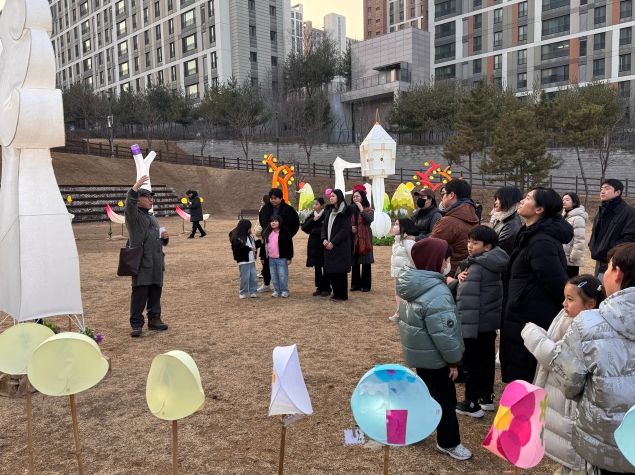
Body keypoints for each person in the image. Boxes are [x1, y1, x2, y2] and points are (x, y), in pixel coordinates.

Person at [549, 243, 635, 474]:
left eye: (607, 267)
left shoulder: (588, 324)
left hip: (604, 445)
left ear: (617, 273)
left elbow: (569, 384)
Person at [522, 274, 605, 475]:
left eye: (570, 299)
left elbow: (556, 357)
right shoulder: (567, 317)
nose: (564, 303)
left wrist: (532, 334)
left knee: (571, 449)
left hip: (569, 406)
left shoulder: (584, 330)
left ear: (590, 304)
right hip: (558, 399)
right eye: (564, 297)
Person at [397, 238, 471, 461]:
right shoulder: (437, 293)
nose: (448, 263)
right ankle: (448, 442)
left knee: (423, 394)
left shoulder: (412, 284)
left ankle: (416, 431)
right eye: (447, 259)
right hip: (437, 359)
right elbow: (445, 336)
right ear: (439, 261)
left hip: (419, 354)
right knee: (445, 401)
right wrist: (454, 361)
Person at [500, 187, 573, 383]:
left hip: (531, 318)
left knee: (526, 377)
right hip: (521, 314)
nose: (522, 201)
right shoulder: (529, 234)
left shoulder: (541, 242)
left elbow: (557, 284)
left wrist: (521, 300)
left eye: (528, 198)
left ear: (539, 209)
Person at [451, 226, 509, 417]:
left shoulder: (477, 267)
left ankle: (471, 403)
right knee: (486, 362)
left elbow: (466, 301)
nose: (469, 246)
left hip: (473, 325)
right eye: (469, 241)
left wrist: (457, 281)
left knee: (472, 364)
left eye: (475, 243)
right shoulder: (493, 262)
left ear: (487, 247)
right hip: (488, 323)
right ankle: (486, 398)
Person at [124, 175, 169, 338]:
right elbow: (129, 204)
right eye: (147, 197)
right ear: (138, 200)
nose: (151, 200)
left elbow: (157, 238)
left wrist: (164, 239)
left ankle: (154, 319)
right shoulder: (133, 217)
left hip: (156, 261)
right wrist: (135, 188)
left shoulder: (152, 217)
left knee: (156, 292)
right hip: (142, 262)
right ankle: (136, 324)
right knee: (139, 294)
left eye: (151, 197)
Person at [588, 179, 635, 278]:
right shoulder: (602, 210)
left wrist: (610, 250)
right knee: (600, 285)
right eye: (601, 189)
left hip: (617, 262)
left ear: (617, 192)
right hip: (600, 260)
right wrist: (592, 246)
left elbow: (630, 238)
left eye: (607, 188)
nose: (602, 191)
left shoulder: (630, 213)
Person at [430, 179, 480, 272]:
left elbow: (430, 249)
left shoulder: (448, 221)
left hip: (447, 272)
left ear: (451, 195)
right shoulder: (474, 216)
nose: (442, 198)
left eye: (444, 194)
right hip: (464, 270)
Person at [257, 188, 300, 292]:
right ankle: (266, 284)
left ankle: (283, 288)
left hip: (282, 241)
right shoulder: (265, 209)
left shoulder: (289, 210)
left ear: (281, 198)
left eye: (275, 198)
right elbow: (262, 222)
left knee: (281, 267)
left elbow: (295, 224)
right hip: (268, 238)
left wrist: (286, 235)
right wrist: (267, 232)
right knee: (266, 263)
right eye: (271, 198)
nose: (273, 200)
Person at [321, 189, 352, 301]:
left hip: (340, 247)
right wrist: (324, 239)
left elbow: (344, 230)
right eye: (330, 196)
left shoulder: (345, 211)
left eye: (333, 196)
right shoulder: (329, 210)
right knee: (332, 271)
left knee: (340, 272)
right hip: (329, 246)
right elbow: (324, 227)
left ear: (339, 197)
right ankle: (335, 293)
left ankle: (342, 295)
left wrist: (333, 242)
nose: (331, 198)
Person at [388, 218, 418, 322]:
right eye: (395, 224)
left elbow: (414, 260)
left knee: (404, 295)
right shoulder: (397, 241)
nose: (394, 226)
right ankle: (399, 313)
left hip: (406, 274)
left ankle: (402, 314)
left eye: (397, 224)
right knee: (398, 294)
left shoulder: (409, 242)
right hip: (398, 273)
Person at [301, 197, 330, 296]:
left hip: (324, 243)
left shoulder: (326, 214)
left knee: (325, 266)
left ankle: (327, 288)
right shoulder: (312, 215)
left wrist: (313, 230)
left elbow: (325, 229)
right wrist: (313, 220)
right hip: (314, 244)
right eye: (314, 204)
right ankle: (319, 287)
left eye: (317, 204)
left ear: (322, 205)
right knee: (317, 267)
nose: (314, 206)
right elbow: (304, 227)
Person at [349, 186, 374, 292]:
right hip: (354, 238)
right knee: (354, 262)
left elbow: (369, 220)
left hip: (365, 239)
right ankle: (355, 285)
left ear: (362, 197)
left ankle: (366, 285)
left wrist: (361, 209)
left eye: (357, 196)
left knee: (365, 262)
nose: (355, 198)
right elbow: (344, 222)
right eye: (354, 196)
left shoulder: (369, 209)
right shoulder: (350, 209)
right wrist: (350, 227)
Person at [262, 215, 293, 298]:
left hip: (281, 258)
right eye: (272, 221)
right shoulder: (267, 232)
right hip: (271, 258)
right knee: (274, 276)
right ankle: (277, 290)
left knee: (282, 275)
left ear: (280, 222)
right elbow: (264, 246)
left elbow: (289, 245)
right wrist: (263, 257)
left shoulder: (284, 232)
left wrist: (289, 257)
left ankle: (284, 291)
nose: (273, 223)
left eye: (275, 221)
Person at [229, 219, 261, 299]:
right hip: (243, 261)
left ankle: (253, 291)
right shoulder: (237, 238)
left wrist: (260, 242)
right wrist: (249, 249)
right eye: (249, 227)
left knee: (253, 277)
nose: (250, 229)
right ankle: (243, 292)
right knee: (245, 277)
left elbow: (254, 246)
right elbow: (239, 249)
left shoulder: (250, 236)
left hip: (251, 260)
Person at [491, 186, 523, 256]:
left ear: (508, 200)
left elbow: (501, 251)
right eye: (495, 199)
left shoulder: (512, 224)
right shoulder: (502, 217)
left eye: (498, 199)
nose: (495, 202)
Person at [562, 192, 588, 278]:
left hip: (571, 260)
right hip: (563, 257)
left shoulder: (578, 218)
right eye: (563, 200)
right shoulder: (565, 216)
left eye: (567, 200)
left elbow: (579, 239)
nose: (564, 202)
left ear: (574, 202)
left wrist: (573, 258)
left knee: (570, 282)